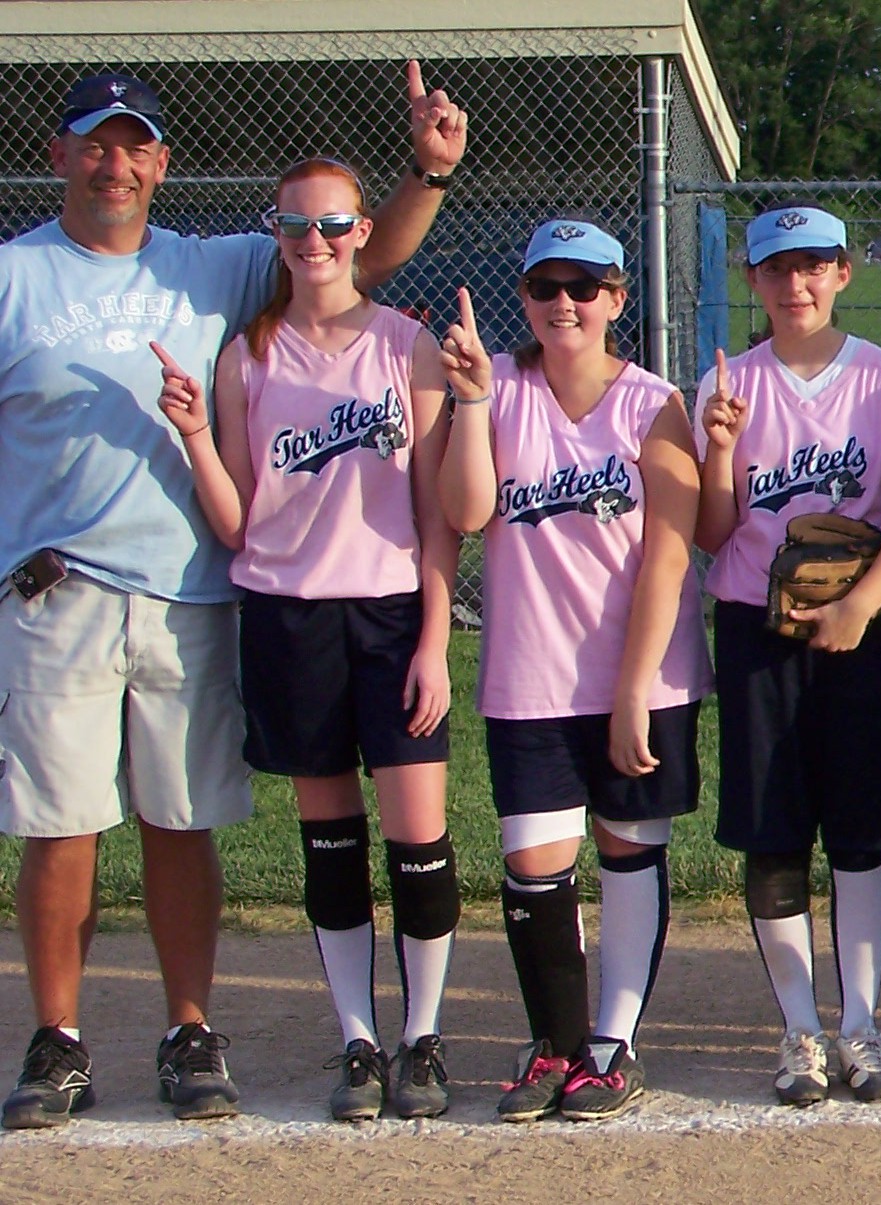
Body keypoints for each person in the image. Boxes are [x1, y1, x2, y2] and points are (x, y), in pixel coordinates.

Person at [0, 64, 465, 1130]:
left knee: (181, 817)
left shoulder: (211, 266)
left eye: (135, 146)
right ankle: (58, 1037)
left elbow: (362, 253)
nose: (115, 164)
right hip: (54, 592)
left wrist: (430, 172)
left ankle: (190, 1028)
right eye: (94, 143)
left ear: (162, 164)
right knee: (60, 826)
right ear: (59, 155)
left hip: (189, 593)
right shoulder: (15, 275)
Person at [152, 157, 462, 1121]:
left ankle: (423, 1037)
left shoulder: (406, 345)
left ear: (363, 231)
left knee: (419, 834)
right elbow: (238, 522)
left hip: (391, 613)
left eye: (332, 225)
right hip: (289, 616)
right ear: (276, 234)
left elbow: (437, 517)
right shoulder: (248, 356)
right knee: (330, 840)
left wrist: (434, 642)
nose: (314, 242)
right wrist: (196, 436)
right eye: (295, 226)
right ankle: (359, 1040)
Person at [437, 221, 707, 1124]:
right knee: (533, 860)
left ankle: (613, 1045)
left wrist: (634, 689)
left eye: (585, 287)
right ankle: (555, 1043)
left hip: (643, 674)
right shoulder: (496, 389)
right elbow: (466, 511)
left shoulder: (652, 404)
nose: (564, 303)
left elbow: (669, 553)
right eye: (545, 287)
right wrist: (469, 403)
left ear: (616, 300)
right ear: (523, 297)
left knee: (627, 845)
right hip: (532, 673)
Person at [693, 202, 881, 1107]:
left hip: (861, 632)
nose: (795, 283)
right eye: (776, 268)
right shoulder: (728, 383)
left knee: (862, 830)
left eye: (813, 265)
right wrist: (719, 448)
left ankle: (861, 1023)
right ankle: (800, 1027)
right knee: (774, 831)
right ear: (753, 280)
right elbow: (713, 531)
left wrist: (862, 606)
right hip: (759, 631)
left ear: (842, 272)